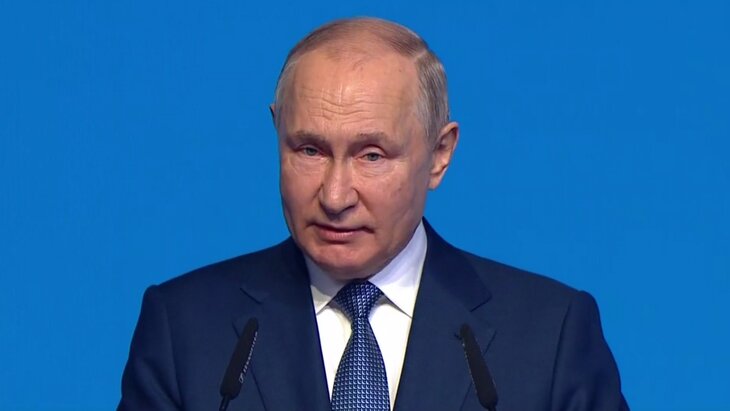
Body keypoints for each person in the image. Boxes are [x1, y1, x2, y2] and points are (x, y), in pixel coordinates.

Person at [118, 17, 628, 411]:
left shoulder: (550, 336)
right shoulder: (184, 330)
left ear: (440, 154)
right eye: (310, 150)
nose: (336, 195)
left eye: (372, 155)